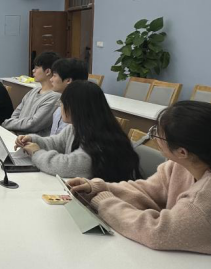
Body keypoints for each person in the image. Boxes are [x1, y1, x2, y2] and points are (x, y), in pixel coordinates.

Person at [68, 101, 211, 254]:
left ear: (182, 152)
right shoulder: (180, 165)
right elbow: (146, 190)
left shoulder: (203, 199)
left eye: (158, 134)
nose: (154, 138)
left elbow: (157, 232)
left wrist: (103, 201)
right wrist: (99, 188)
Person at [15, 81, 141, 180]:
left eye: (62, 103)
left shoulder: (98, 143)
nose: (60, 107)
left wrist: (36, 152)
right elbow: (55, 143)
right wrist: (32, 140)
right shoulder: (76, 128)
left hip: (103, 200)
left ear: (75, 108)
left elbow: (64, 166)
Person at [2, 51, 62, 136]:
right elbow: (16, 114)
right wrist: (11, 125)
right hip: (16, 135)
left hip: (32, 141)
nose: (33, 71)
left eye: (36, 68)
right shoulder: (33, 91)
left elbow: (34, 124)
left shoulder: (55, 97)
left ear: (47, 71)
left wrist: (7, 123)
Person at [49, 58, 89, 136]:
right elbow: (53, 138)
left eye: (54, 76)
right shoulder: (61, 104)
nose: (51, 79)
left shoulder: (79, 111)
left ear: (68, 80)